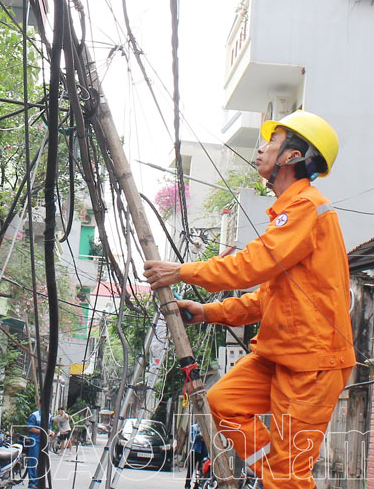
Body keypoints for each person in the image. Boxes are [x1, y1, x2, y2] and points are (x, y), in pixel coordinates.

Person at [143, 111, 355, 489]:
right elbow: (264, 300)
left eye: (272, 142)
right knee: (223, 403)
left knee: (288, 476)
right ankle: (274, 475)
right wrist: (206, 312)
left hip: (312, 364)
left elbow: (249, 266)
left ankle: (280, 478)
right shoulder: (289, 214)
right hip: (278, 356)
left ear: (292, 157)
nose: (260, 149)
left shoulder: (306, 208)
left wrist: (181, 271)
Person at [26, 406, 52, 488]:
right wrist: (42, 431)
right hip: (35, 441)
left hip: (44, 442)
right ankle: (32, 483)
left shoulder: (49, 416)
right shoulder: (34, 415)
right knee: (33, 462)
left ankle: (40, 483)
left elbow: (50, 428)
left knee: (42, 463)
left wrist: (50, 432)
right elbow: (30, 428)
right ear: (40, 404)